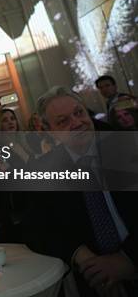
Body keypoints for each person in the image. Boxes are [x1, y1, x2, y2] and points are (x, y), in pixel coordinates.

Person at [24, 86, 137, 296]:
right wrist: (79, 254)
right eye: (63, 121)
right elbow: (38, 226)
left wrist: (129, 259)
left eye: (79, 113)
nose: (77, 123)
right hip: (93, 282)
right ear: (50, 131)